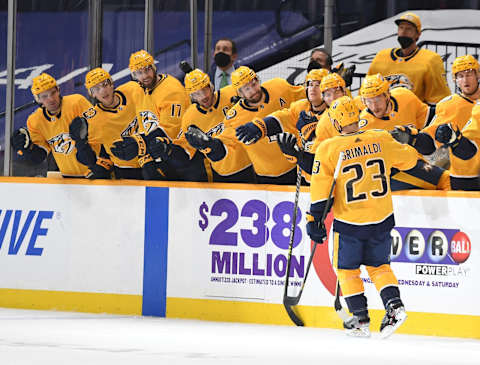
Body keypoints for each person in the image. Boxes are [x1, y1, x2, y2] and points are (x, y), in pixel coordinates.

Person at [307, 96, 417, 338]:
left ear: (336, 123)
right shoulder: (380, 137)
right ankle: (395, 307)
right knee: (380, 267)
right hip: (382, 216)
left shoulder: (327, 148)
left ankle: (360, 319)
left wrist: (313, 219)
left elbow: (320, 191)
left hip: (351, 222)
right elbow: (410, 159)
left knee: (347, 271)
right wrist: (402, 145)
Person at [186, 66, 305, 185]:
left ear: (258, 80)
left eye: (253, 84)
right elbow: (226, 144)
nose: (253, 91)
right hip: (268, 176)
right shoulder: (235, 117)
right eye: (247, 89)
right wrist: (210, 145)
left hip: (299, 164)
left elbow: (305, 99)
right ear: (240, 93)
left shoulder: (279, 86)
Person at [155, 68, 254, 183]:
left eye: (204, 89)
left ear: (211, 86)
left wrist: (246, 104)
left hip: (251, 165)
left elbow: (258, 104)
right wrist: (169, 150)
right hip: (222, 173)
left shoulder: (232, 93)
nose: (203, 96)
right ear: (191, 96)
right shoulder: (190, 117)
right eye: (196, 93)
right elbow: (185, 150)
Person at [397, 55, 480, 190]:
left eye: (469, 74)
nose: (465, 79)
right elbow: (430, 143)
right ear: (455, 80)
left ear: (477, 75)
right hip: (466, 177)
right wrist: (412, 138)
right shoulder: (451, 105)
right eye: (460, 76)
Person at [359, 74, 450, 190]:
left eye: (377, 99)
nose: (374, 106)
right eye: (369, 101)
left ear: (387, 95)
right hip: (390, 173)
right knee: (446, 180)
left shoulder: (405, 97)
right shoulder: (365, 125)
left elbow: (430, 120)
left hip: (416, 163)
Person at [110, 49, 190, 180]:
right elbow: (146, 127)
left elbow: (170, 130)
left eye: (147, 70)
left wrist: (138, 143)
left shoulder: (171, 89)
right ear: (134, 76)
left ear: (154, 68)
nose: (144, 76)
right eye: (139, 73)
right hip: (161, 159)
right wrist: (146, 161)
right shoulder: (142, 90)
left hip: (182, 158)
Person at [11, 73, 94, 177]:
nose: (51, 99)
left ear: (58, 90)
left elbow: (101, 130)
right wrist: (28, 149)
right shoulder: (35, 121)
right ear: (38, 99)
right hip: (67, 177)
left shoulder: (77, 102)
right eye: (44, 96)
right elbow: (40, 156)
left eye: (53, 93)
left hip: (96, 172)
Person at [69, 67, 145, 179]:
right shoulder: (94, 120)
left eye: (105, 84)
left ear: (111, 84)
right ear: (92, 94)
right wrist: (80, 143)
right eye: (96, 89)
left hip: (152, 159)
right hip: (127, 170)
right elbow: (87, 159)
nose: (103, 91)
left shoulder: (134, 89)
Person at [367, 12, 450, 105]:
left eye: (408, 29)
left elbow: (438, 99)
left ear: (418, 34)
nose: (403, 32)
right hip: (382, 113)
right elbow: (367, 90)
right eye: (401, 28)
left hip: (414, 114)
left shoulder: (430, 60)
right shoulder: (381, 56)